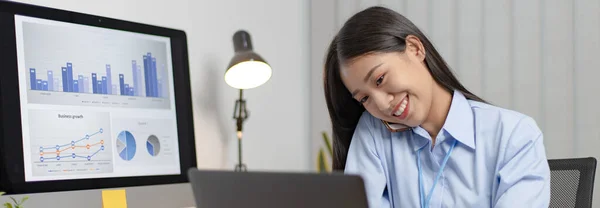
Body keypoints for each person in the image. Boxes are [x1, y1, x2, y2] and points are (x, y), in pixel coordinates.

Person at [323, 6, 550, 208]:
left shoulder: (514, 136)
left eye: (380, 79)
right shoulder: (373, 133)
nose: (382, 104)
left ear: (414, 48)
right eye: (364, 99)